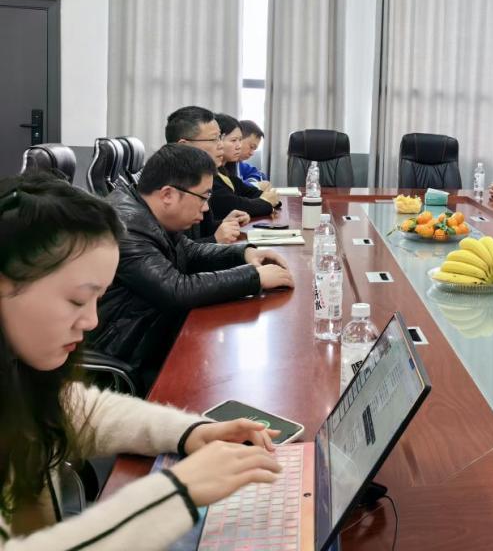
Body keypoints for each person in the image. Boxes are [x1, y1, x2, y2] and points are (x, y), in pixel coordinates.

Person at [0, 172, 282, 549]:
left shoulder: (19, 373)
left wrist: (191, 432)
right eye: (76, 300)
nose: (92, 321)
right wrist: (175, 494)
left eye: (97, 299)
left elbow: (74, 407)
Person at [90, 144, 294, 388]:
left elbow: (189, 251)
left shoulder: (147, 211)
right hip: (128, 354)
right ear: (168, 195)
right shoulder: (126, 226)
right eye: (203, 197)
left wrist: (244, 253)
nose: (206, 207)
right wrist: (254, 277)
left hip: (154, 332)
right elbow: (176, 289)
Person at [165, 105, 248, 244]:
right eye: (214, 139)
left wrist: (225, 223)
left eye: (220, 137)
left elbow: (202, 231)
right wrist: (215, 240)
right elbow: (175, 251)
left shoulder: (199, 177)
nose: (221, 145)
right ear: (184, 145)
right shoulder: (171, 187)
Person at [210, 114, 278, 220]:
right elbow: (230, 204)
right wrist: (265, 202)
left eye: (240, 140)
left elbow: (244, 191)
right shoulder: (207, 173)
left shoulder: (225, 169)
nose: (239, 146)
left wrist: (268, 198)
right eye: (234, 140)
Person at [237, 120, 269, 188]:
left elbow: (259, 174)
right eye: (251, 147)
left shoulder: (238, 164)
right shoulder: (223, 165)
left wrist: (252, 181)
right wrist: (253, 185)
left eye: (254, 149)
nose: (252, 153)